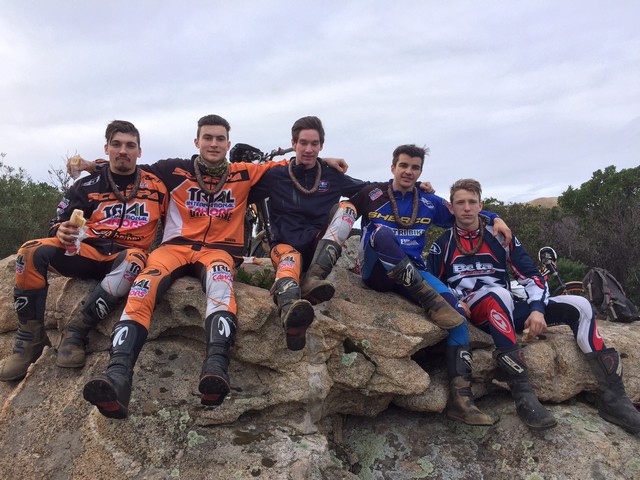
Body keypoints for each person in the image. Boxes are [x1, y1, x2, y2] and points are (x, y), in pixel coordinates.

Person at [78, 114, 346, 419]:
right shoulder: (174, 169)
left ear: (228, 144)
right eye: (208, 138)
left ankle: (216, 370)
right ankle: (117, 377)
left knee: (220, 284)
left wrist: (324, 162)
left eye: (220, 139)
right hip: (173, 249)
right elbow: (131, 170)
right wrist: (91, 165)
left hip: (219, 251)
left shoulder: (245, 173)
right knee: (143, 286)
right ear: (197, 142)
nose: (214, 144)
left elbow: (292, 166)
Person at [427, 178, 640, 433]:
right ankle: (524, 395)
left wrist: (537, 309)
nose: (466, 208)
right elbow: (432, 284)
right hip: (478, 310)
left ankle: (615, 399)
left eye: (472, 202)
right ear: (451, 208)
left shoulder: (501, 237)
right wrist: (454, 300)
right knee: (499, 294)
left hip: (507, 307)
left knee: (580, 304)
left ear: (481, 206)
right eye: (460, 202)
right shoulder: (442, 244)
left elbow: (531, 276)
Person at [348, 145, 511, 426]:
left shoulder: (428, 202)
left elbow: (464, 212)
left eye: (415, 167)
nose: (408, 171)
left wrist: (495, 217)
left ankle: (462, 401)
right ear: (393, 167)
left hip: (414, 271)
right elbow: (344, 209)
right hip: (376, 271)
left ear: (421, 172)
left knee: (456, 316)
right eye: (403, 165)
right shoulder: (372, 193)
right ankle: (429, 299)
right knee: (381, 232)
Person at [0, 120, 167, 381]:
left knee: (135, 260)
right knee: (29, 251)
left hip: (124, 258)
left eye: (130, 145)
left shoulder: (157, 185)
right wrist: (59, 230)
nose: (123, 150)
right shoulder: (87, 185)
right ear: (107, 148)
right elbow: (56, 221)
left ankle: (76, 332)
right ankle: (29, 339)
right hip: (85, 252)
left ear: (139, 151)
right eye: (116, 144)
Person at [247, 116, 366, 350]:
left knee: (348, 208)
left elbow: (370, 189)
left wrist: (415, 187)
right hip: (285, 247)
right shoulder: (275, 175)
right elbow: (238, 188)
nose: (309, 149)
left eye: (314, 144)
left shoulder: (332, 175)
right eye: (303, 143)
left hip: (317, 250)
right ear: (293, 143)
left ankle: (313, 279)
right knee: (290, 260)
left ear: (321, 145)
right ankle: (292, 320)